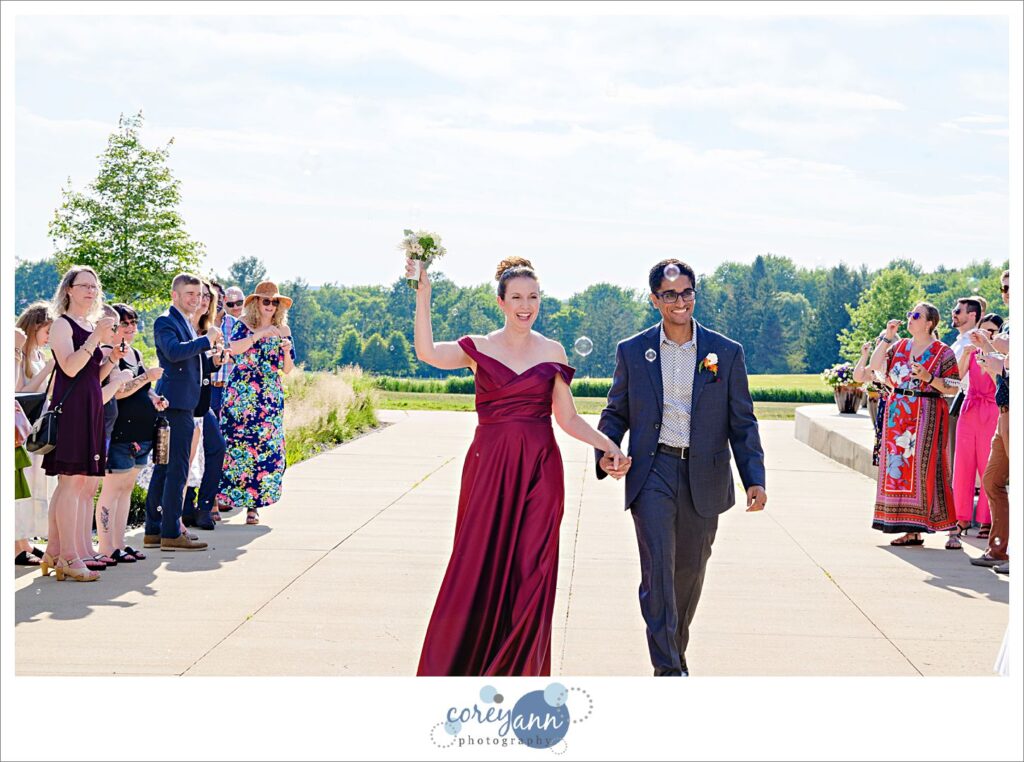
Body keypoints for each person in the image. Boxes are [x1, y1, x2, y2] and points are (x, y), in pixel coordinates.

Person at [411, 256, 627, 676]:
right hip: (489, 468)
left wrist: (608, 445)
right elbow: (427, 352)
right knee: (478, 564)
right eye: (516, 298)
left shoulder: (552, 351)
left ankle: (519, 673)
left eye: (533, 297)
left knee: (533, 570)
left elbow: (567, 418)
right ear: (501, 301)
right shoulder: (478, 347)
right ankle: (463, 667)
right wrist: (424, 295)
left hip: (540, 471)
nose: (526, 306)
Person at [596, 259, 766, 677]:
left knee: (688, 574)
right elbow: (616, 411)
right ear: (654, 299)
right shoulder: (633, 351)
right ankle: (668, 671)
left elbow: (742, 422)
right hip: (652, 472)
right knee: (659, 572)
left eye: (686, 292)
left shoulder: (725, 352)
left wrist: (754, 479)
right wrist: (606, 450)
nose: (680, 301)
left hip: (705, 477)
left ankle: (674, 655)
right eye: (669, 294)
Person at [39, 266, 121, 581]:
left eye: (94, 286)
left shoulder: (88, 324)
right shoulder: (63, 324)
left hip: (90, 407)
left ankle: (54, 552)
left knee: (72, 484)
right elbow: (70, 368)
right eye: (84, 285)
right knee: (71, 483)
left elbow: (91, 377)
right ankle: (70, 557)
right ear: (69, 290)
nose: (90, 290)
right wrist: (96, 338)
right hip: (71, 410)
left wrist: (111, 359)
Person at [868, 302, 959, 548]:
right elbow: (875, 366)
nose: (910, 318)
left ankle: (951, 529)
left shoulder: (943, 352)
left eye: (916, 315)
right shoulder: (899, 346)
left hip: (927, 412)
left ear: (929, 323)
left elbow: (953, 388)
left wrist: (929, 378)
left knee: (926, 468)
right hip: (897, 413)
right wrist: (887, 337)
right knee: (898, 470)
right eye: (910, 313)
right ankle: (910, 530)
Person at [142, 273, 220, 552]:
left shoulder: (185, 322)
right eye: (190, 294)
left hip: (183, 402)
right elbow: (174, 352)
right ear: (174, 295)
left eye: (199, 295)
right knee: (176, 468)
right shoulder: (166, 321)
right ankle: (171, 531)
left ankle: (155, 530)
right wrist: (207, 340)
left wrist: (213, 361)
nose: (196, 299)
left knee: (167, 467)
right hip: (174, 403)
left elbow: (190, 362)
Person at [217, 281, 295, 526]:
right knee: (234, 446)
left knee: (265, 449)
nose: (270, 306)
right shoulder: (243, 325)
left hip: (268, 396)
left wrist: (286, 350)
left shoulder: (283, 329)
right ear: (256, 303)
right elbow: (234, 349)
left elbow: (288, 369)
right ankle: (220, 499)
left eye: (275, 302)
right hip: (241, 393)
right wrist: (259, 334)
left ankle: (254, 507)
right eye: (266, 301)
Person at [95, 303, 167, 563]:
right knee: (112, 490)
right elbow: (120, 391)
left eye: (134, 322)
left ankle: (119, 543)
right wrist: (147, 377)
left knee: (126, 489)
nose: (131, 328)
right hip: (120, 433)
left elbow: (143, 388)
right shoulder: (108, 354)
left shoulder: (135, 353)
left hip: (142, 433)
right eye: (124, 323)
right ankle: (106, 546)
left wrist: (155, 397)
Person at [971, 269, 1010, 573]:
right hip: (1005, 409)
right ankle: (998, 550)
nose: (1006, 293)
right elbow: (1005, 366)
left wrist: (996, 346)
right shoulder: (1008, 325)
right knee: (992, 480)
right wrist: (988, 350)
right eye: (1003, 288)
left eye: (1011, 287)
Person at [951, 313, 1003, 542]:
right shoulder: (972, 352)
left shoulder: (1001, 357)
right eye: (983, 330)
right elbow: (957, 378)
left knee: (987, 465)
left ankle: (986, 519)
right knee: (963, 464)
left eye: (991, 331)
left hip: (991, 411)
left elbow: (1000, 382)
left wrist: (988, 351)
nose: (986, 335)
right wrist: (965, 353)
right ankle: (960, 517)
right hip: (969, 408)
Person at [181, 280, 226, 530]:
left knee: (216, 448)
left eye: (209, 297)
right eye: (201, 295)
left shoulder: (210, 330)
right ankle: (186, 506)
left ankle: (205, 506)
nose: (205, 300)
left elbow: (205, 367)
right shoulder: (183, 327)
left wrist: (218, 360)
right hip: (184, 402)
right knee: (186, 456)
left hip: (203, 402)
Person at [14, 303, 56, 566]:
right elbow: (20, 391)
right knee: (22, 486)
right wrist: (47, 370)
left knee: (35, 486)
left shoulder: (40, 354)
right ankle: (16, 545)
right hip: (23, 428)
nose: (49, 336)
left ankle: (25, 541)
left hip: (37, 427)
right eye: (47, 330)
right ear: (35, 327)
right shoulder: (20, 354)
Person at [947, 296, 986, 472]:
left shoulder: (974, 341)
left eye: (957, 311)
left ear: (972, 315)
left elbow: (957, 376)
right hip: (955, 399)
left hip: (966, 401)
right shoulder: (959, 341)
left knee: (958, 458)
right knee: (951, 455)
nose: (953, 314)